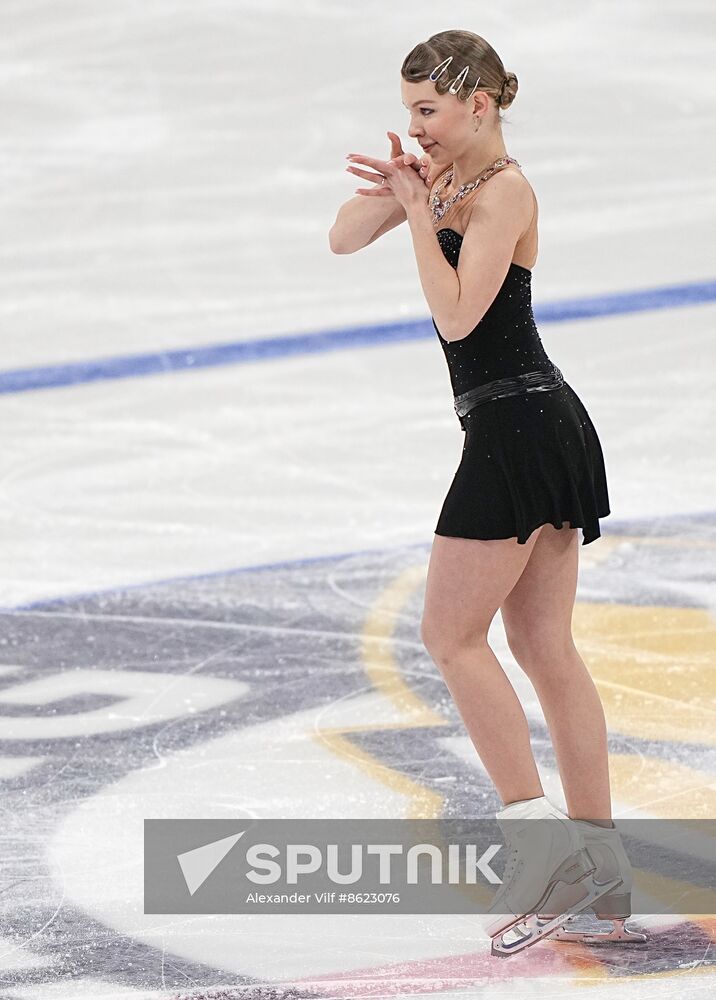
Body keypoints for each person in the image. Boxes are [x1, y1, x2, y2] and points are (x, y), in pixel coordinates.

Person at [329, 29, 647, 954]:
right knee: (543, 643)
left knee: (451, 636)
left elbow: (460, 311)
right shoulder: (450, 183)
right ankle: (602, 868)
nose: (416, 127)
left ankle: (555, 854)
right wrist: (404, 194)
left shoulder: (502, 190)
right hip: (531, 423)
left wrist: (423, 213)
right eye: (407, 112)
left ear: (481, 106)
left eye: (428, 110)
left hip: (518, 425)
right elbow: (342, 237)